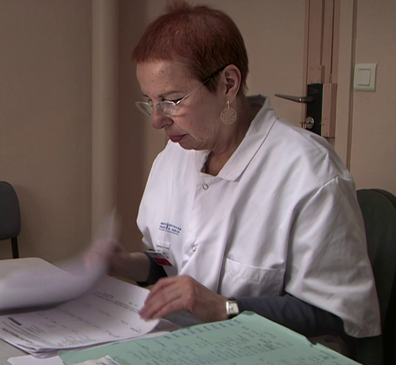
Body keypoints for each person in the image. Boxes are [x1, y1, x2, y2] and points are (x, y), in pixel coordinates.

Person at [98, 1, 381, 341]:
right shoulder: (174, 157)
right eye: (151, 101)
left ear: (228, 84)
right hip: (182, 343)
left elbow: (336, 315)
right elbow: (174, 262)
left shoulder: (310, 171)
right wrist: (130, 264)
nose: (158, 120)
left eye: (172, 101)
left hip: (271, 357)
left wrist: (226, 308)